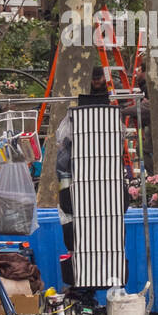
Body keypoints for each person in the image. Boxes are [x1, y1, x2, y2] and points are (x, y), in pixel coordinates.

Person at [55, 67, 113, 251]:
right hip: (77, 187)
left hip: (96, 186)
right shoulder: (69, 148)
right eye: (94, 79)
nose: (96, 82)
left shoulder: (111, 92)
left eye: (99, 79)